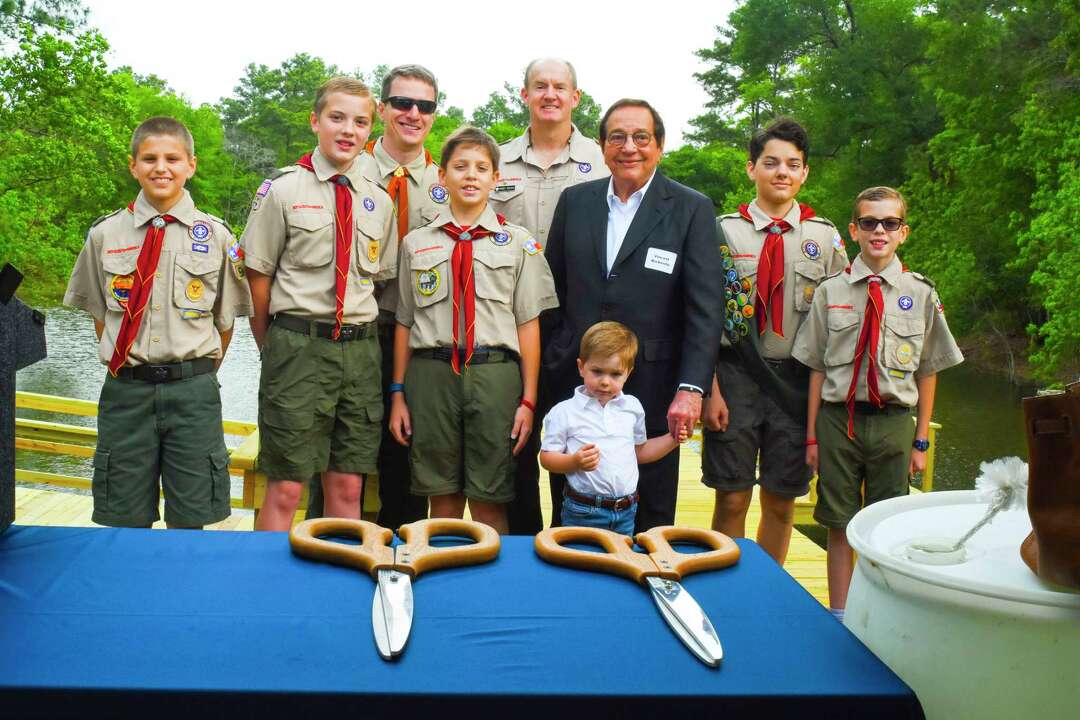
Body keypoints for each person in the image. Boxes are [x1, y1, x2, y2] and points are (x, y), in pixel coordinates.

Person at [544, 98, 724, 532]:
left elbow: (705, 308)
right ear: (602, 146)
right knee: (572, 512)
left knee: (652, 519)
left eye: (641, 137)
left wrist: (692, 389)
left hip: (655, 385)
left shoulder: (691, 208)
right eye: (618, 137)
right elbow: (552, 292)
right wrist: (552, 362)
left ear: (659, 145)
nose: (629, 147)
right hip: (578, 380)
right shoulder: (575, 202)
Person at [63, 116, 252, 529]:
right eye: (149, 159)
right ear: (133, 166)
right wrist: (129, 362)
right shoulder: (105, 234)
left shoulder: (217, 236)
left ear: (191, 165)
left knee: (193, 517)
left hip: (193, 393)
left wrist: (192, 373)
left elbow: (224, 323)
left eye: (172, 158)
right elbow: (100, 316)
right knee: (123, 518)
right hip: (127, 392)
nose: (160, 168)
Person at [792, 186, 964, 618]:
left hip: (893, 422)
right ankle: (842, 615)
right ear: (854, 230)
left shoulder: (920, 293)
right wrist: (811, 437)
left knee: (886, 526)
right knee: (838, 523)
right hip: (838, 421)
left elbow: (929, 370)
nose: (879, 231)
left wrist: (921, 440)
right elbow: (816, 367)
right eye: (869, 222)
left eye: (890, 223)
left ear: (903, 232)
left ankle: (881, 617)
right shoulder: (830, 291)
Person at [241, 76, 395, 531]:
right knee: (287, 485)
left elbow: (377, 283)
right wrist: (274, 345)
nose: (348, 130)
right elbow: (257, 278)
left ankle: (339, 570)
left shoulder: (378, 200)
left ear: (370, 129)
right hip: (298, 346)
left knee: (347, 485)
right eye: (337, 118)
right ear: (315, 121)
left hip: (360, 352)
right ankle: (267, 572)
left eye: (360, 122)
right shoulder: (283, 190)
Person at [389, 126, 557, 534]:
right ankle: (441, 569)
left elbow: (528, 325)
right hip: (432, 375)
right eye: (460, 167)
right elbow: (404, 322)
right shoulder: (416, 243)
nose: (471, 175)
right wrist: (397, 394)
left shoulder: (517, 243)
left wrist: (528, 400)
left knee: (490, 500)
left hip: (494, 376)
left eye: (481, 168)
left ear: (495, 179)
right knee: (442, 499)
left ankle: (490, 575)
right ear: (442, 176)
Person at [704, 118, 848, 565]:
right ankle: (724, 585)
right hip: (735, 377)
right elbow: (703, 317)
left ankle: (766, 588)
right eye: (771, 162)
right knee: (731, 496)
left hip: (797, 384)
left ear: (805, 173)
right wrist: (709, 389)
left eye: (792, 164)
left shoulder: (823, 237)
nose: (781, 172)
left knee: (782, 500)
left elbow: (842, 320)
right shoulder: (722, 232)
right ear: (751, 168)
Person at [306, 64, 441, 526]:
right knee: (333, 460)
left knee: (406, 460)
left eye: (424, 106)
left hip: (417, 341)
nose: (413, 114)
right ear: (382, 109)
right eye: (402, 102)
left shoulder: (448, 183)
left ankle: (402, 554)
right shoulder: (343, 167)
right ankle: (329, 549)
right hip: (347, 334)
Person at [490, 57, 609, 535]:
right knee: (514, 443)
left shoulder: (601, 161)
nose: (550, 95)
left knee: (575, 436)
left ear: (576, 97)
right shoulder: (496, 161)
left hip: (575, 323)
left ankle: (567, 540)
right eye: (540, 86)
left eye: (560, 87)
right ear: (524, 95)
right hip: (508, 322)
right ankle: (522, 546)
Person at [540, 322, 687, 535]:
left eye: (615, 374)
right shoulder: (564, 412)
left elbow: (639, 452)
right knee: (579, 556)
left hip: (626, 511)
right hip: (583, 511)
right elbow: (546, 458)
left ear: (628, 373)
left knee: (620, 557)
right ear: (581, 367)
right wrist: (574, 462)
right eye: (597, 371)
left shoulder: (632, 408)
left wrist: (673, 439)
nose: (605, 382)